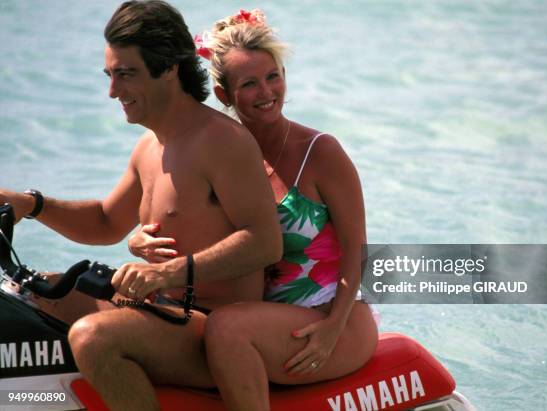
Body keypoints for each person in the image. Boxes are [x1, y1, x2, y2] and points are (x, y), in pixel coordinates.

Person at [0, 1, 281, 410]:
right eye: (110, 75)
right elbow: (104, 222)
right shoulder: (151, 145)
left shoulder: (223, 141)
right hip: (161, 311)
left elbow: (264, 242)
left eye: (125, 75)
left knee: (93, 338)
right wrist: (30, 204)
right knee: (29, 295)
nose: (113, 91)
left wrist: (166, 273)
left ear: (168, 67)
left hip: (213, 329)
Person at [128, 9, 378, 410]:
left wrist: (333, 328)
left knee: (227, 328)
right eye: (249, 84)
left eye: (273, 76)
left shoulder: (321, 152)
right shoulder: (222, 154)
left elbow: (359, 251)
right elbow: (188, 223)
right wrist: (140, 238)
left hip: (331, 316)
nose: (266, 92)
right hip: (262, 319)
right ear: (225, 95)